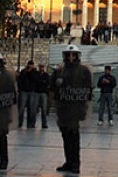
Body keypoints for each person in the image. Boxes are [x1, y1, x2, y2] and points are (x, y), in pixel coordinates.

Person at [52, 44, 93, 173]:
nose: (70, 58)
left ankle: (75, 163)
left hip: (76, 108)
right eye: (68, 55)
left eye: (73, 55)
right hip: (63, 108)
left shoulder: (83, 71)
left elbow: (88, 90)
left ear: (77, 56)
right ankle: (68, 161)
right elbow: (52, 88)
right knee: (66, 136)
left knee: (74, 136)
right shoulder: (60, 71)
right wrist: (57, 83)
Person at [17, 60, 37, 128]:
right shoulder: (23, 71)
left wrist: (30, 72)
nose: (30, 66)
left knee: (31, 108)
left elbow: (34, 79)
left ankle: (30, 123)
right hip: (24, 91)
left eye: (31, 65)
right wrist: (25, 71)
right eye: (29, 64)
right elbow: (20, 80)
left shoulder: (34, 71)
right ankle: (20, 122)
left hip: (31, 91)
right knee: (21, 108)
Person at [34, 63, 52, 128]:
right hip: (37, 92)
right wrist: (42, 82)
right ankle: (33, 123)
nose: (41, 68)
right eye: (40, 67)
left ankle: (44, 123)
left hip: (43, 92)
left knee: (44, 109)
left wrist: (41, 82)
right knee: (34, 109)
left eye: (42, 67)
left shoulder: (46, 75)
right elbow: (36, 82)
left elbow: (47, 83)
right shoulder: (36, 74)